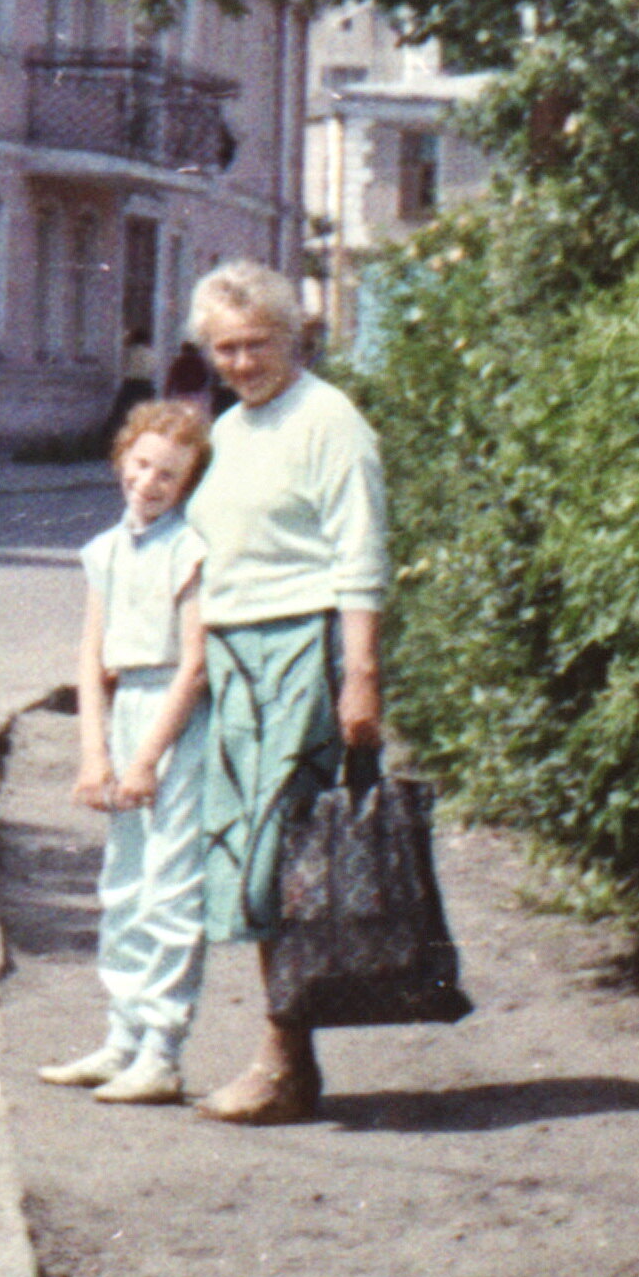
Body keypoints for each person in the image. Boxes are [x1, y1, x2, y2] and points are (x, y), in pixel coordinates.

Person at [180, 257, 388, 1125]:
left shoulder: (329, 420)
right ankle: (288, 1060)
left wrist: (361, 678)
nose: (240, 363)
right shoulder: (230, 429)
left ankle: (284, 1063)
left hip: (303, 653)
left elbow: (361, 554)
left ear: (294, 336)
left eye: (256, 344)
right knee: (247, 862)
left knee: (280, 860)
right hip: (237, 660)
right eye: (224, 348)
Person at [36, 397, 215, 1107]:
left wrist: (146, 760)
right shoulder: (106, 551)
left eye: (169, 475)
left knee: (171, 885)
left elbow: (195, 664)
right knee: (124, 882)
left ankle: (162, 1051)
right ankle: (122, 1036)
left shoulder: (189, 549)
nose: (149, 483)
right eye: (141, 465)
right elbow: (91, 658)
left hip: (177, 720)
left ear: (188, 483)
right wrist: (95, 754)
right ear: (121, 461)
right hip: (127, 712)